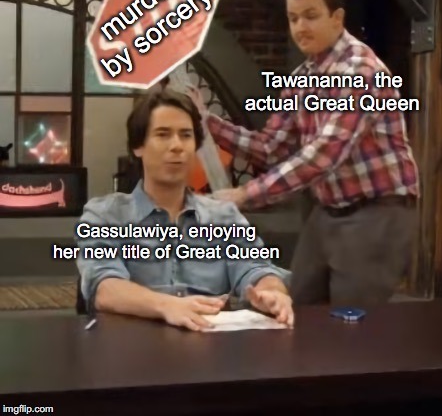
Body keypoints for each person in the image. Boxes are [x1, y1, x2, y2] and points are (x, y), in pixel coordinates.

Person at [190, 0, 419, 306]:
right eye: (293, 18)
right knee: (296, 305)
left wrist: (243, 194)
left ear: (337, 19)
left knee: (350, 322)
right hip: (328, 210)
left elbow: (325, 153)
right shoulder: (303, 77)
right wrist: (206, 121)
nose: (300, 27)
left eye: (310, 16)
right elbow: (269, 147)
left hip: (376, 212)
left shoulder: (361, 70)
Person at [76, 89, 293, 331]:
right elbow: (103, 287)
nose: (177, 146)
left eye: (186, 135)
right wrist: (167, 306)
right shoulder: (105, 215)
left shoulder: (224, 216)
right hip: (133, 344)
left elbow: (255, 268)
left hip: (208, 343)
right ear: (138, 147)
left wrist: (271, 291)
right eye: (163, 134)